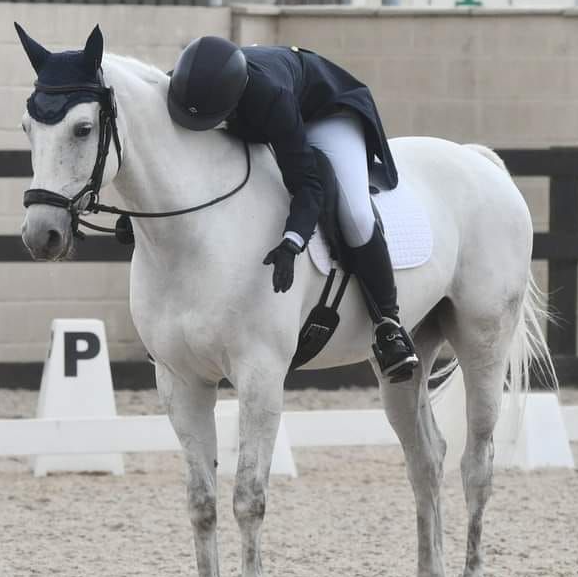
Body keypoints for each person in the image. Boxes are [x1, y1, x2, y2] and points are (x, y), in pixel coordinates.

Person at [166, 36, 418, 381]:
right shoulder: (185, 86)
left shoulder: (271, 98)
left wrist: (293, 240)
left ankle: (388, 325)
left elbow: (307, 184)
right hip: (260, 104)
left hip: (324, 112)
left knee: (356, 215)